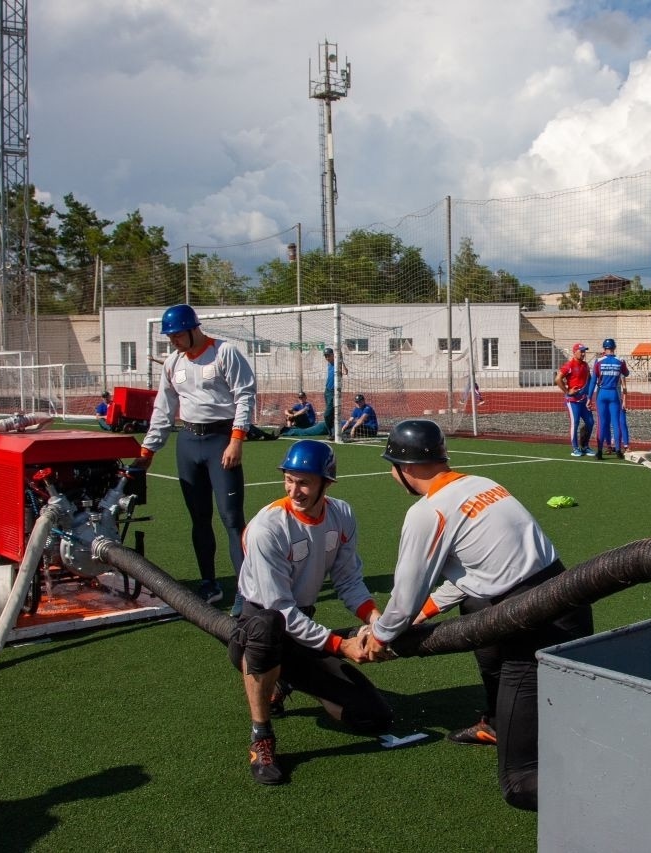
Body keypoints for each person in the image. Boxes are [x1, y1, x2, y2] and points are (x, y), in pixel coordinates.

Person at [341, 420, 593, 811]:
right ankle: (495, 722)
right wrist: (423, 614)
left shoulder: (428, 512)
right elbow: (475, 578)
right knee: (475, 605)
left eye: (392, 466)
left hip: (533, 625)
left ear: (405, 468)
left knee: (519, 784)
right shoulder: (482, 484)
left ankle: (617, 797)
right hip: (564, 602)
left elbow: (405, 597)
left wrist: (379, 637)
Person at [229, 440, 392, 785]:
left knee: (373, 717)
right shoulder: (267, 527)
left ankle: (286, 677)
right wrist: (341, 645)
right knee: (267, 626)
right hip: (259, 625)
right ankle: (261, 736)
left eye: (304, 482)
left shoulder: (341, 514)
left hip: (300, 626)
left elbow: (349, 580)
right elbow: (279, 608)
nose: (294, 490)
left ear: (325, 483)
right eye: (289, 480)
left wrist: (376, 622)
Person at [131, 303, 256, 614]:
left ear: (192, 329)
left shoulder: (225, 352)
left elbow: (245, 395)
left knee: (231, 519)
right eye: (170, 337)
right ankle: (209, 584)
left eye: (176, 335)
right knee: (199, 518)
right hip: (188, 443)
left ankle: (246, 591)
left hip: (221, 441)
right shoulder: (172, 363)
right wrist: (148, 450)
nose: (173, 341)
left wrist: (236, 440)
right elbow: (163, 408)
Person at [590, 338, 629, 460]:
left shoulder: (598, 361)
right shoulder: (620, 361)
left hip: (602, 393)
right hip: (614, 393)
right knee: (616, 423)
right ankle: (618, 451)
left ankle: (599, 451)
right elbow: (626, 373)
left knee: (602, 423)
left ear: (604, 348)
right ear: (614, 347)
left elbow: (593, 381)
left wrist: (589, 398)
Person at [554, 343, 595, 457]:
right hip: (573, 401)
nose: (583, 354)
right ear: (574, 352)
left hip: (584, 401)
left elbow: (589, 380)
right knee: (575, 423)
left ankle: (585, 446)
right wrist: (567, 391)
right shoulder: (569, 365)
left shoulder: (585, 365)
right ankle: (575, 448)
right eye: (581, 351)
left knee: (590, 422)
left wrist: (589, 396)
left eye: (584, 351)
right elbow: (558, 379)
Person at [321, 346, 349, 435]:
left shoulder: (338, 364)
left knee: (327, 414)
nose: (327, 358)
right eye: (325, 356)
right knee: (331, 413)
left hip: (334, 392)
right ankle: (333, 433)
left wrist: (341, 360)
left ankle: (330, 432)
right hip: (327, 391)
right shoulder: (329, 364)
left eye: (328, 356)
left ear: (333, 355)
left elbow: (345, 372)